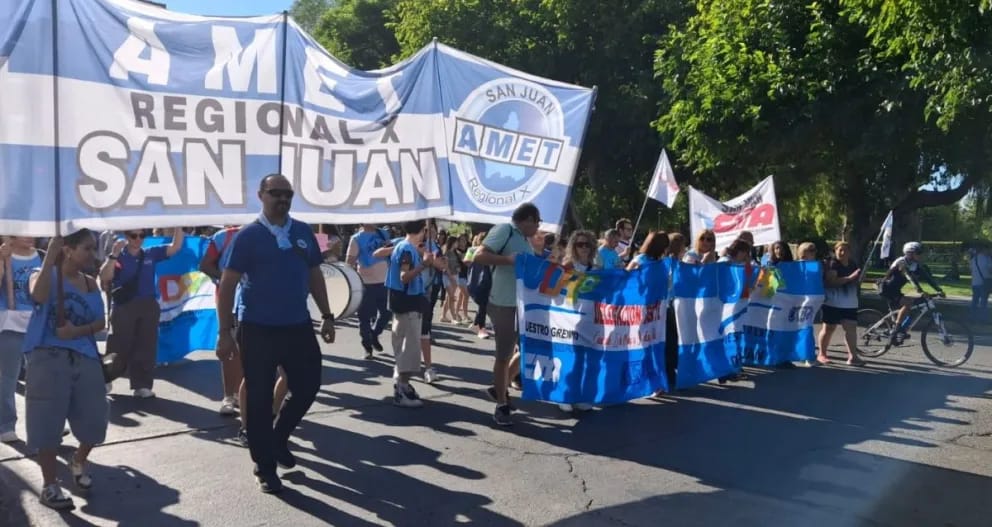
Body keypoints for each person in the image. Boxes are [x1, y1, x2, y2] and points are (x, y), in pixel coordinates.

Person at [215, 174, 335, 494]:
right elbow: (227, 285)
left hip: (297, 325)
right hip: (257, 328)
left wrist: (327, 315)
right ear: (261, 195)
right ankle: (265, 467)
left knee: (308, 385)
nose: (282, 198)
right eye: (275, 193)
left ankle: (278, 437)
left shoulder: (303, 231)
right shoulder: (248, 235)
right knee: (258, 399)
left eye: (288, 194)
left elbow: (314, 274)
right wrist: (225, 332)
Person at [23, 231, 108, 510]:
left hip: (85, 357)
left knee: (96, 419)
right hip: (48, 357)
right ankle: (50, 485)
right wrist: (50, 257)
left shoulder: (90, 282)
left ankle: (78, 460)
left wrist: (75, 332)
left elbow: (100, 323)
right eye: (87, 248)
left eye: (93, 248)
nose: (92, 254)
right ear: (68, 250)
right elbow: (37, 295)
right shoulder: (42, 275)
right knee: (47, 423)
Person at [200, 226, 288, 445]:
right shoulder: (224, 237)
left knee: (274, 370)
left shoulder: (273, 233)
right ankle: (231, 400)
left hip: (270, 310)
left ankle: (264, 414)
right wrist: (229, 278)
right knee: (236, 357)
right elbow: (206, 265)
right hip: (235, 305)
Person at [473, 202, 541, 426]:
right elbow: (479, 255)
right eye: (537, 222)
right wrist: (507, 260)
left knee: (526, 349)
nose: (538, 227)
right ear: (528, 219)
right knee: (503, 356)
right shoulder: (505, 230)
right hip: (503, 303)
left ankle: (499, 388)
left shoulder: (525, 240)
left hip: (521, 304)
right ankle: (501, 405)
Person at [100, 227, 185, 399]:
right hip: (124, 305)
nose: (138, 239)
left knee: (146, 345)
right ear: (126, 236)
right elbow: (105, 277)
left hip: (148, 304)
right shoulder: (119, 255)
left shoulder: (150, 253)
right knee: (118, 344)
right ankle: (106, 378)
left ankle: (142, 385)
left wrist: (178, 225)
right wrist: (113, 255)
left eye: (142, 235)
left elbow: (175, 247)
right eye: (134, 235)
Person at [385, 220, 435, 406]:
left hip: (403, 302)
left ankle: (403, 384)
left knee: (404, 345)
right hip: (407, 303)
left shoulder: (404, 246)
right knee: (409, 348)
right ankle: (402, 387)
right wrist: (424, 265)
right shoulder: (406, 249)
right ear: (421, 230)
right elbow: (404, 277)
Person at [0, 237, 43, 443]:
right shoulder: (4, 255)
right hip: (10, 324)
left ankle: (46, 423)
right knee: (8, 377)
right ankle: (6, 425)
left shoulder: (42, 256)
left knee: (42, 378)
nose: (29, 235)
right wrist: (2, 260)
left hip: (38, 324)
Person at [878, 241, 945, 347]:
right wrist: (920, 291)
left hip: (896, 291)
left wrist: (939, 289)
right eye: (918, 253)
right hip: (887, 289)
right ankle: (897, 329)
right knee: (908, 303)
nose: (920, 255)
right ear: (910, 253)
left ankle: (900, 330)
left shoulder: (914, 265)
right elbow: (909, 276)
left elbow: (927, 277)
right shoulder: (901, 262)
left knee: (913, 305)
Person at [346, 223, 392, 358]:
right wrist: (349, 279)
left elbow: (390, 251)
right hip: (366, 283)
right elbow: (349, 261)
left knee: (387, 313)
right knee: (364, 317)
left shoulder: (383, 233)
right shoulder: (356, 238)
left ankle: (374, 334)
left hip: (385, 281)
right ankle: (367, 347)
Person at [818, 242, 864, 366]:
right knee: (829, 328)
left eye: (845, 250)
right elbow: (831, 282)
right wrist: (850, 278)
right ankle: (822, 354)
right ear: (835, 251)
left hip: (850, 303)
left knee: (851, 328)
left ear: (849, 252)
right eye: (840, 250)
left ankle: (853, 356)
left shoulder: (853, 264)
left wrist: (859, 278)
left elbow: (855, 281)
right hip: (832, 302)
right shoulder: (832, 264)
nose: (842, 253)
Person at [968, 245, 992, 321]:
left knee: (975, 300)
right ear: (985, 249)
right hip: (984, 283)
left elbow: (971, 269)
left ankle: (972, 317)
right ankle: (982, 318)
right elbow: (990, 270)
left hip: (974, 282)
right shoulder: (987, 259)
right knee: (983, 301)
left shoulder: (974, 259)